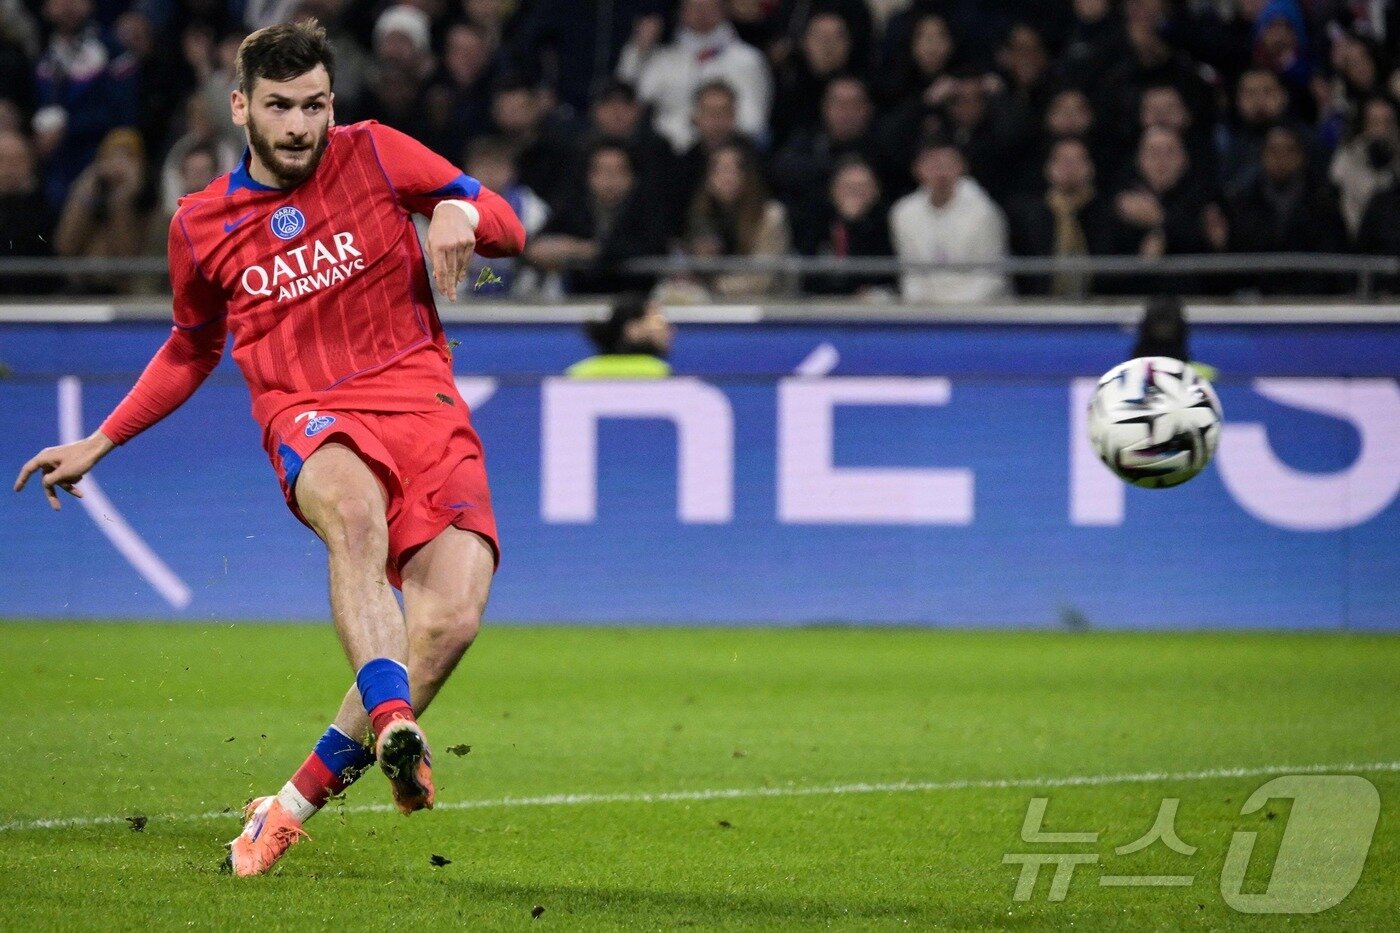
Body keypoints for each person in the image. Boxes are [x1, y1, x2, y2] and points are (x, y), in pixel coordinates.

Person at [13, 20, 526, 877]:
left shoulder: (377, 154)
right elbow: (189, 346)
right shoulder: (201, 225)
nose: (299, 126)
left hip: (424, 401)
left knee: (451, 619)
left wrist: (459, 208)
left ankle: (285, 808)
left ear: (334, 104)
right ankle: (395, 720)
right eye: (281, 107)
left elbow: (508, 224)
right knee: (355, 519)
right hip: (309, 413)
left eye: (315, 105)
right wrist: (101, 439)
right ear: (241, 107)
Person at [889, 136, 1010, 304]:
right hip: (924, 311)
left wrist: (951, 308)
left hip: (979, 310)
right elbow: (910, 274)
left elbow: (992, 277)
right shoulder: (903, 213)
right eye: (932, 165)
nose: (940, 172)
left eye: (946, 164)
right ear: (917, 169)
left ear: (961, 167)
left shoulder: (984, 212)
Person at [683, 140, 792, 298]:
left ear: (747, 175)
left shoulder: (770, 216)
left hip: (764, 307)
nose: (726, 177)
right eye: (719, 170)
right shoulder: (700, 214)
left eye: (733, 170)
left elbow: (760, 279)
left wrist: (711, 287)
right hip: (711, 305)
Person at [566, 293, 674, 379]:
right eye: (658, 319)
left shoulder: (578, 373)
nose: (669, 328)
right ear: (633, 329)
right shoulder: (660, 373)